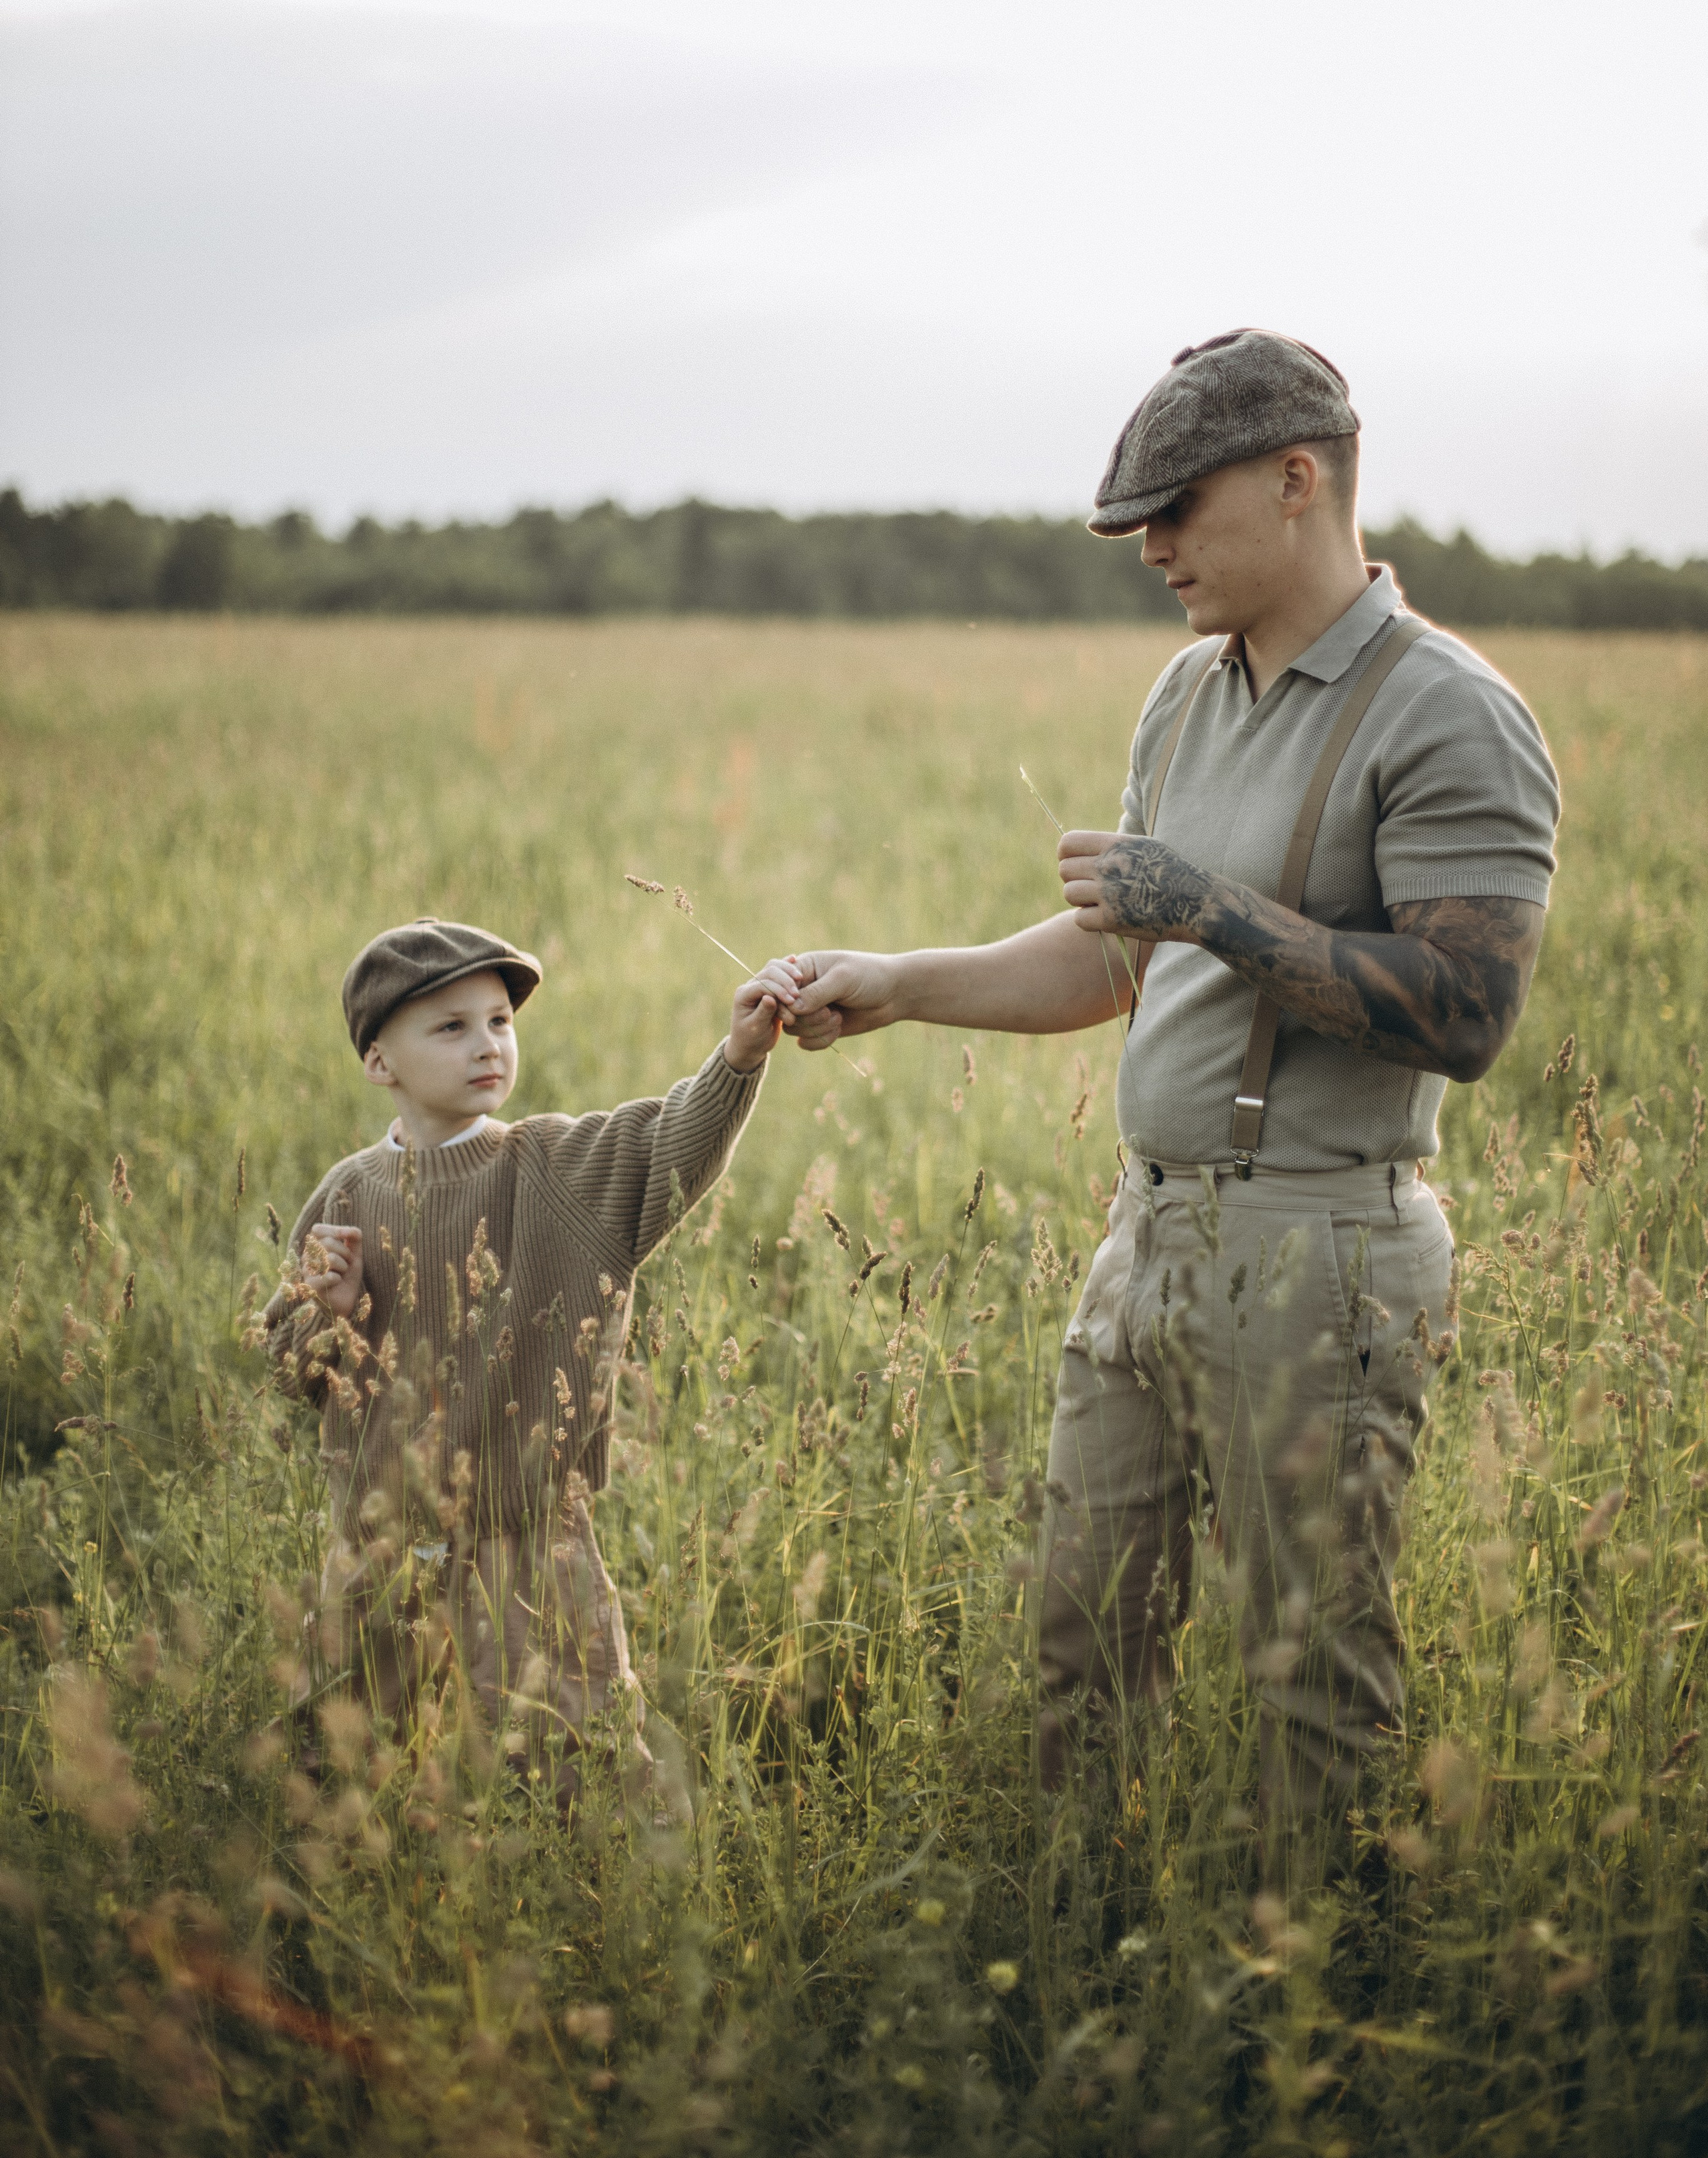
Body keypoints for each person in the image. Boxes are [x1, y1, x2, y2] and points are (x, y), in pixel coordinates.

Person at [778, 329, 1561, 1831]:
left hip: (1318, 1252)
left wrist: (1197, 899)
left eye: (1173, 510)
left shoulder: (1446, 710)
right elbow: (1119, 962)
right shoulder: (1186, 695)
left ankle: (1295, 2031)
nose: (1148, 551)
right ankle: (1083, 1979)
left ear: (1294, 481)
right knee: (1077, 1649)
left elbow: (1464, 1008)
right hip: (1145, 1239)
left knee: (1306, 1684)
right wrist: (892, 987)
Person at [260, 915, 793, 1802]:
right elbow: (292, 1371)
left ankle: (591, 1898)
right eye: (452, 1027)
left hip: (531, 1542)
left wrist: (738, 1056)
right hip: (383, 1546)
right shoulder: (350, 1193)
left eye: (500, 1021)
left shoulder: (554, 1165)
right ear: (380, 1063)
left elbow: (668, 1144)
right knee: (377, 1760)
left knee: (569, 1751)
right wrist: (333, 1311)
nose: (488, 1045)